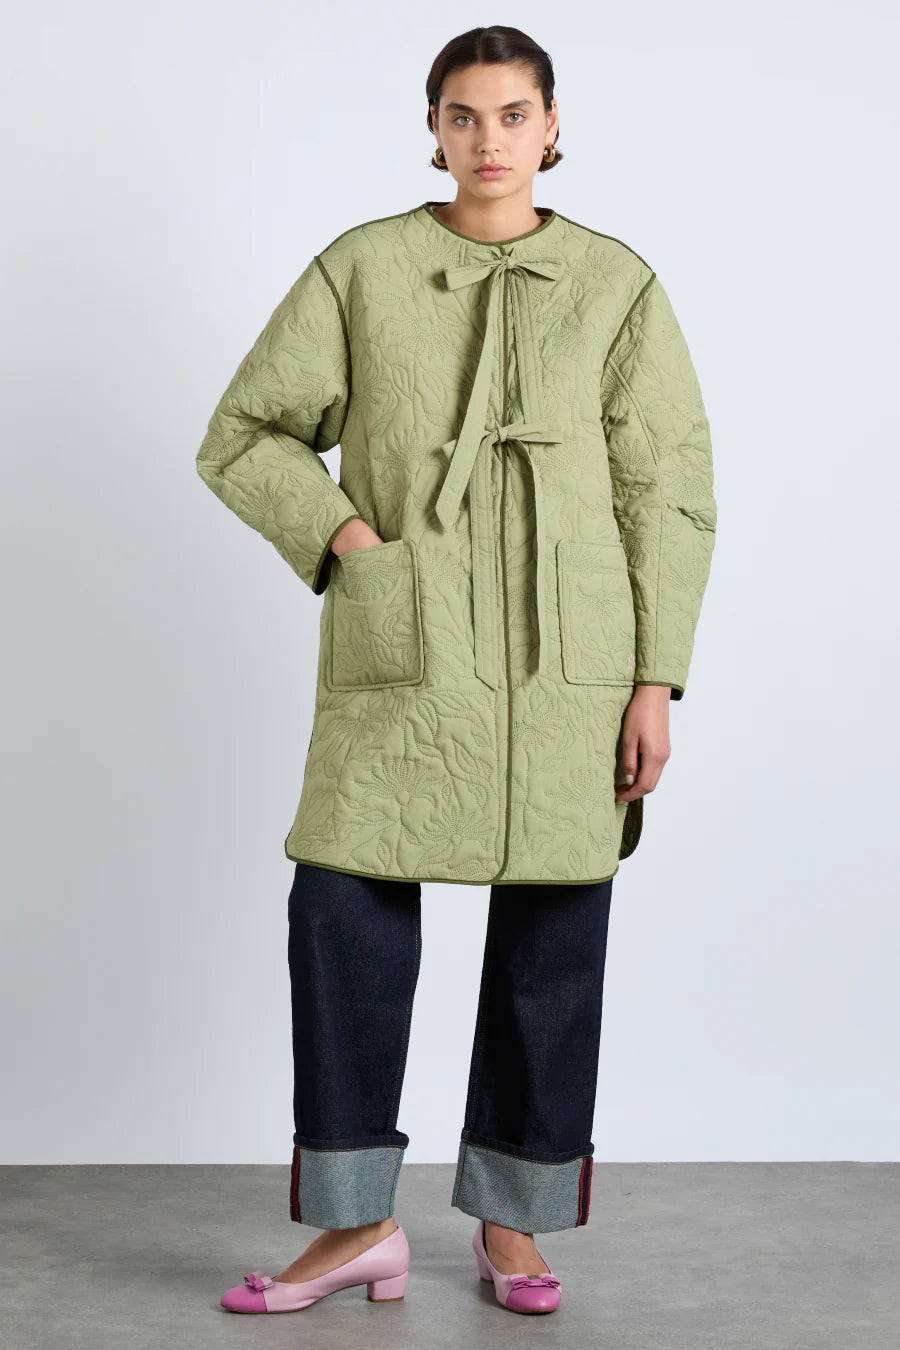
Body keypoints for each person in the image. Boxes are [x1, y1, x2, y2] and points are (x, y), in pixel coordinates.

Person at [199, 24, 716, 1318]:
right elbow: (245, 433)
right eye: (464, 115)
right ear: (432, 129)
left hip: (573, 663)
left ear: (554, 126)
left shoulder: (617, 286)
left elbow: (666, 494)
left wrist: (655, 676)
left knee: (554, 946)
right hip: (407, 646)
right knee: (343, 916)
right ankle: (353, 1224)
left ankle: (515, 1225)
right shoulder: (364, 270)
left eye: (513, 114)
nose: (490, 140)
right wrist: (347, 541)